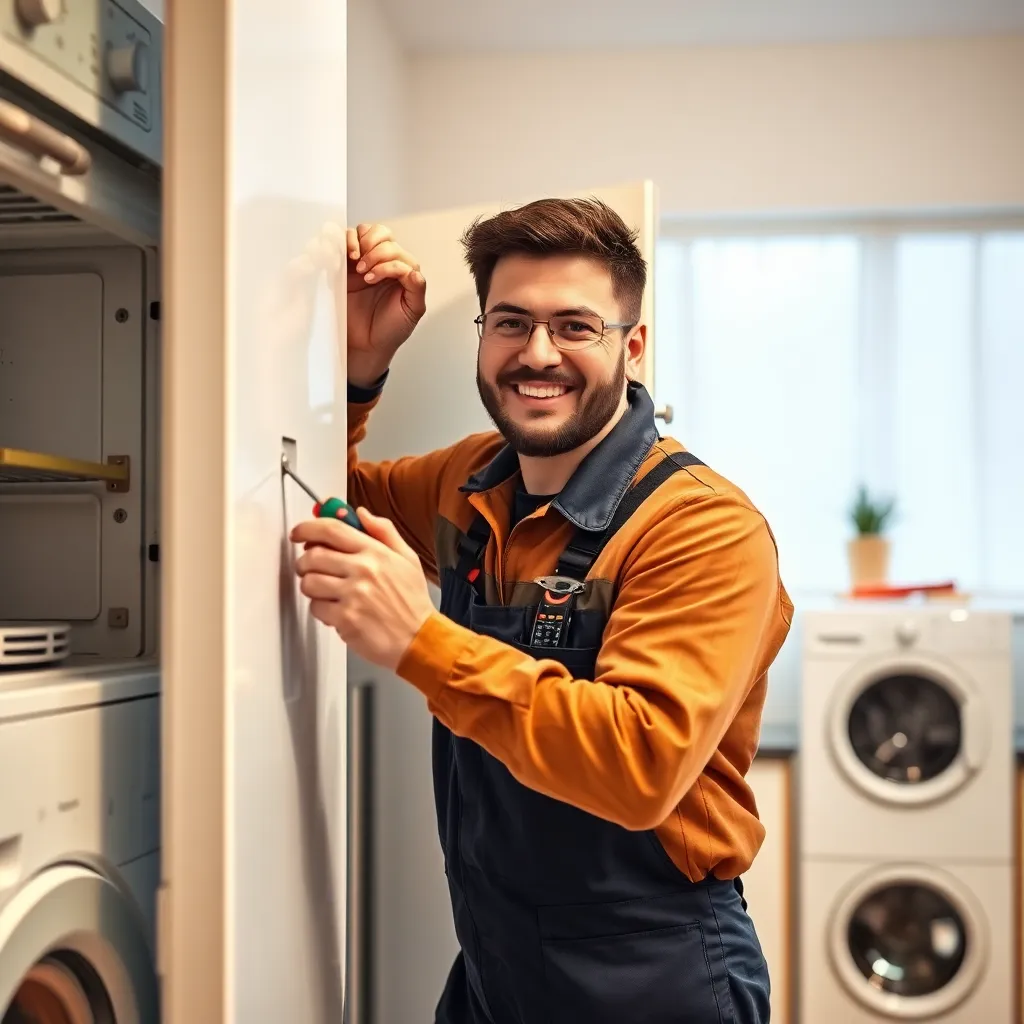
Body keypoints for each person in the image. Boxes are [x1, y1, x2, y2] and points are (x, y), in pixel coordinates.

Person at [291, 198, 794, 1024]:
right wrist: (358, 367)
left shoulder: (701, 528)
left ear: (630, 348)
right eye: (511, 323)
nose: (536, 354)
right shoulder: (471, 481)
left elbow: (642, 763)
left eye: (574, 327)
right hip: (494, 963)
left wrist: (421, 640)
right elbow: (319, 495)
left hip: (649, 974)